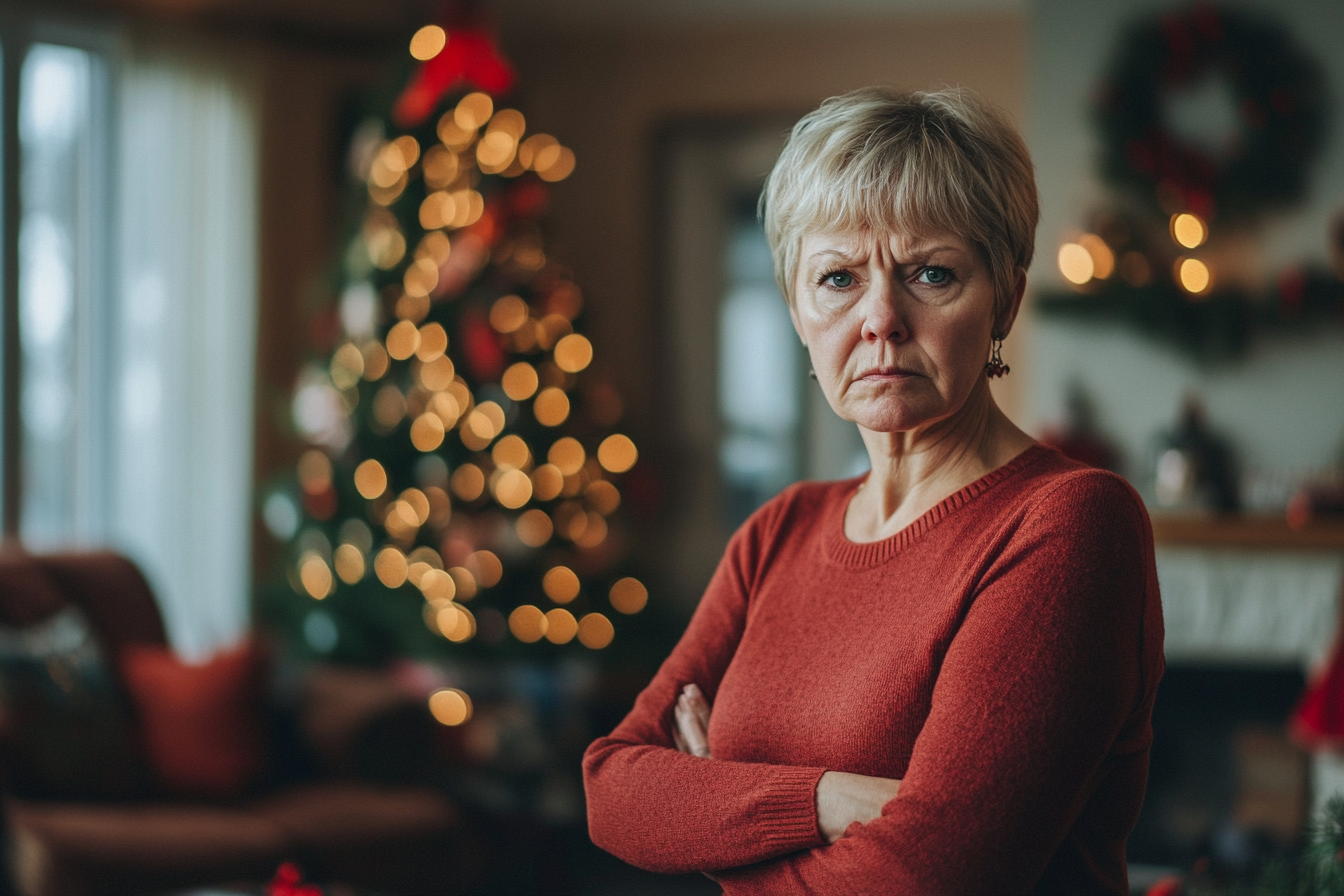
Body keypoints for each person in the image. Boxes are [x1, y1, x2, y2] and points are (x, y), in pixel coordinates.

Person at [583, 87, 1163, 895]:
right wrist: (826, 800)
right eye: (838, 279)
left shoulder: (1068, 524)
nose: (882, 318)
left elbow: (931, 877)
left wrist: (714, 813)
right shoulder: (779, 531)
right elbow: (612, 789)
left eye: (932, 273)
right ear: (796, 309)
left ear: (1006, 299)